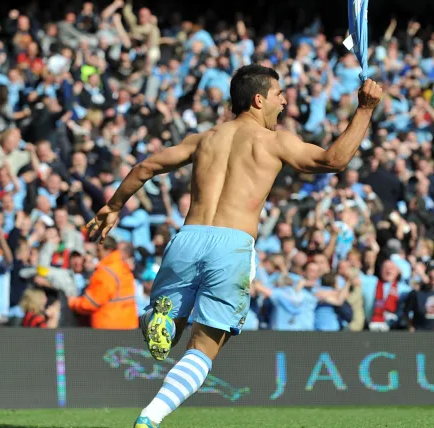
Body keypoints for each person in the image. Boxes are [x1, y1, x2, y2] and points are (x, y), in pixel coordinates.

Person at [87, 64, 382, 428]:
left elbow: (147, 167)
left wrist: (114, 205)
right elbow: (333, 160)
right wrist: (365, 109)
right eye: (279, 95)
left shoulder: (204, 138)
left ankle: (160, 321)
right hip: (232, 245)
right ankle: (151, 417)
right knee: (204, 348)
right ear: (259, 100)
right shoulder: (275, 141)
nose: (285, 101)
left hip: (187, 239)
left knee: (163, 334)